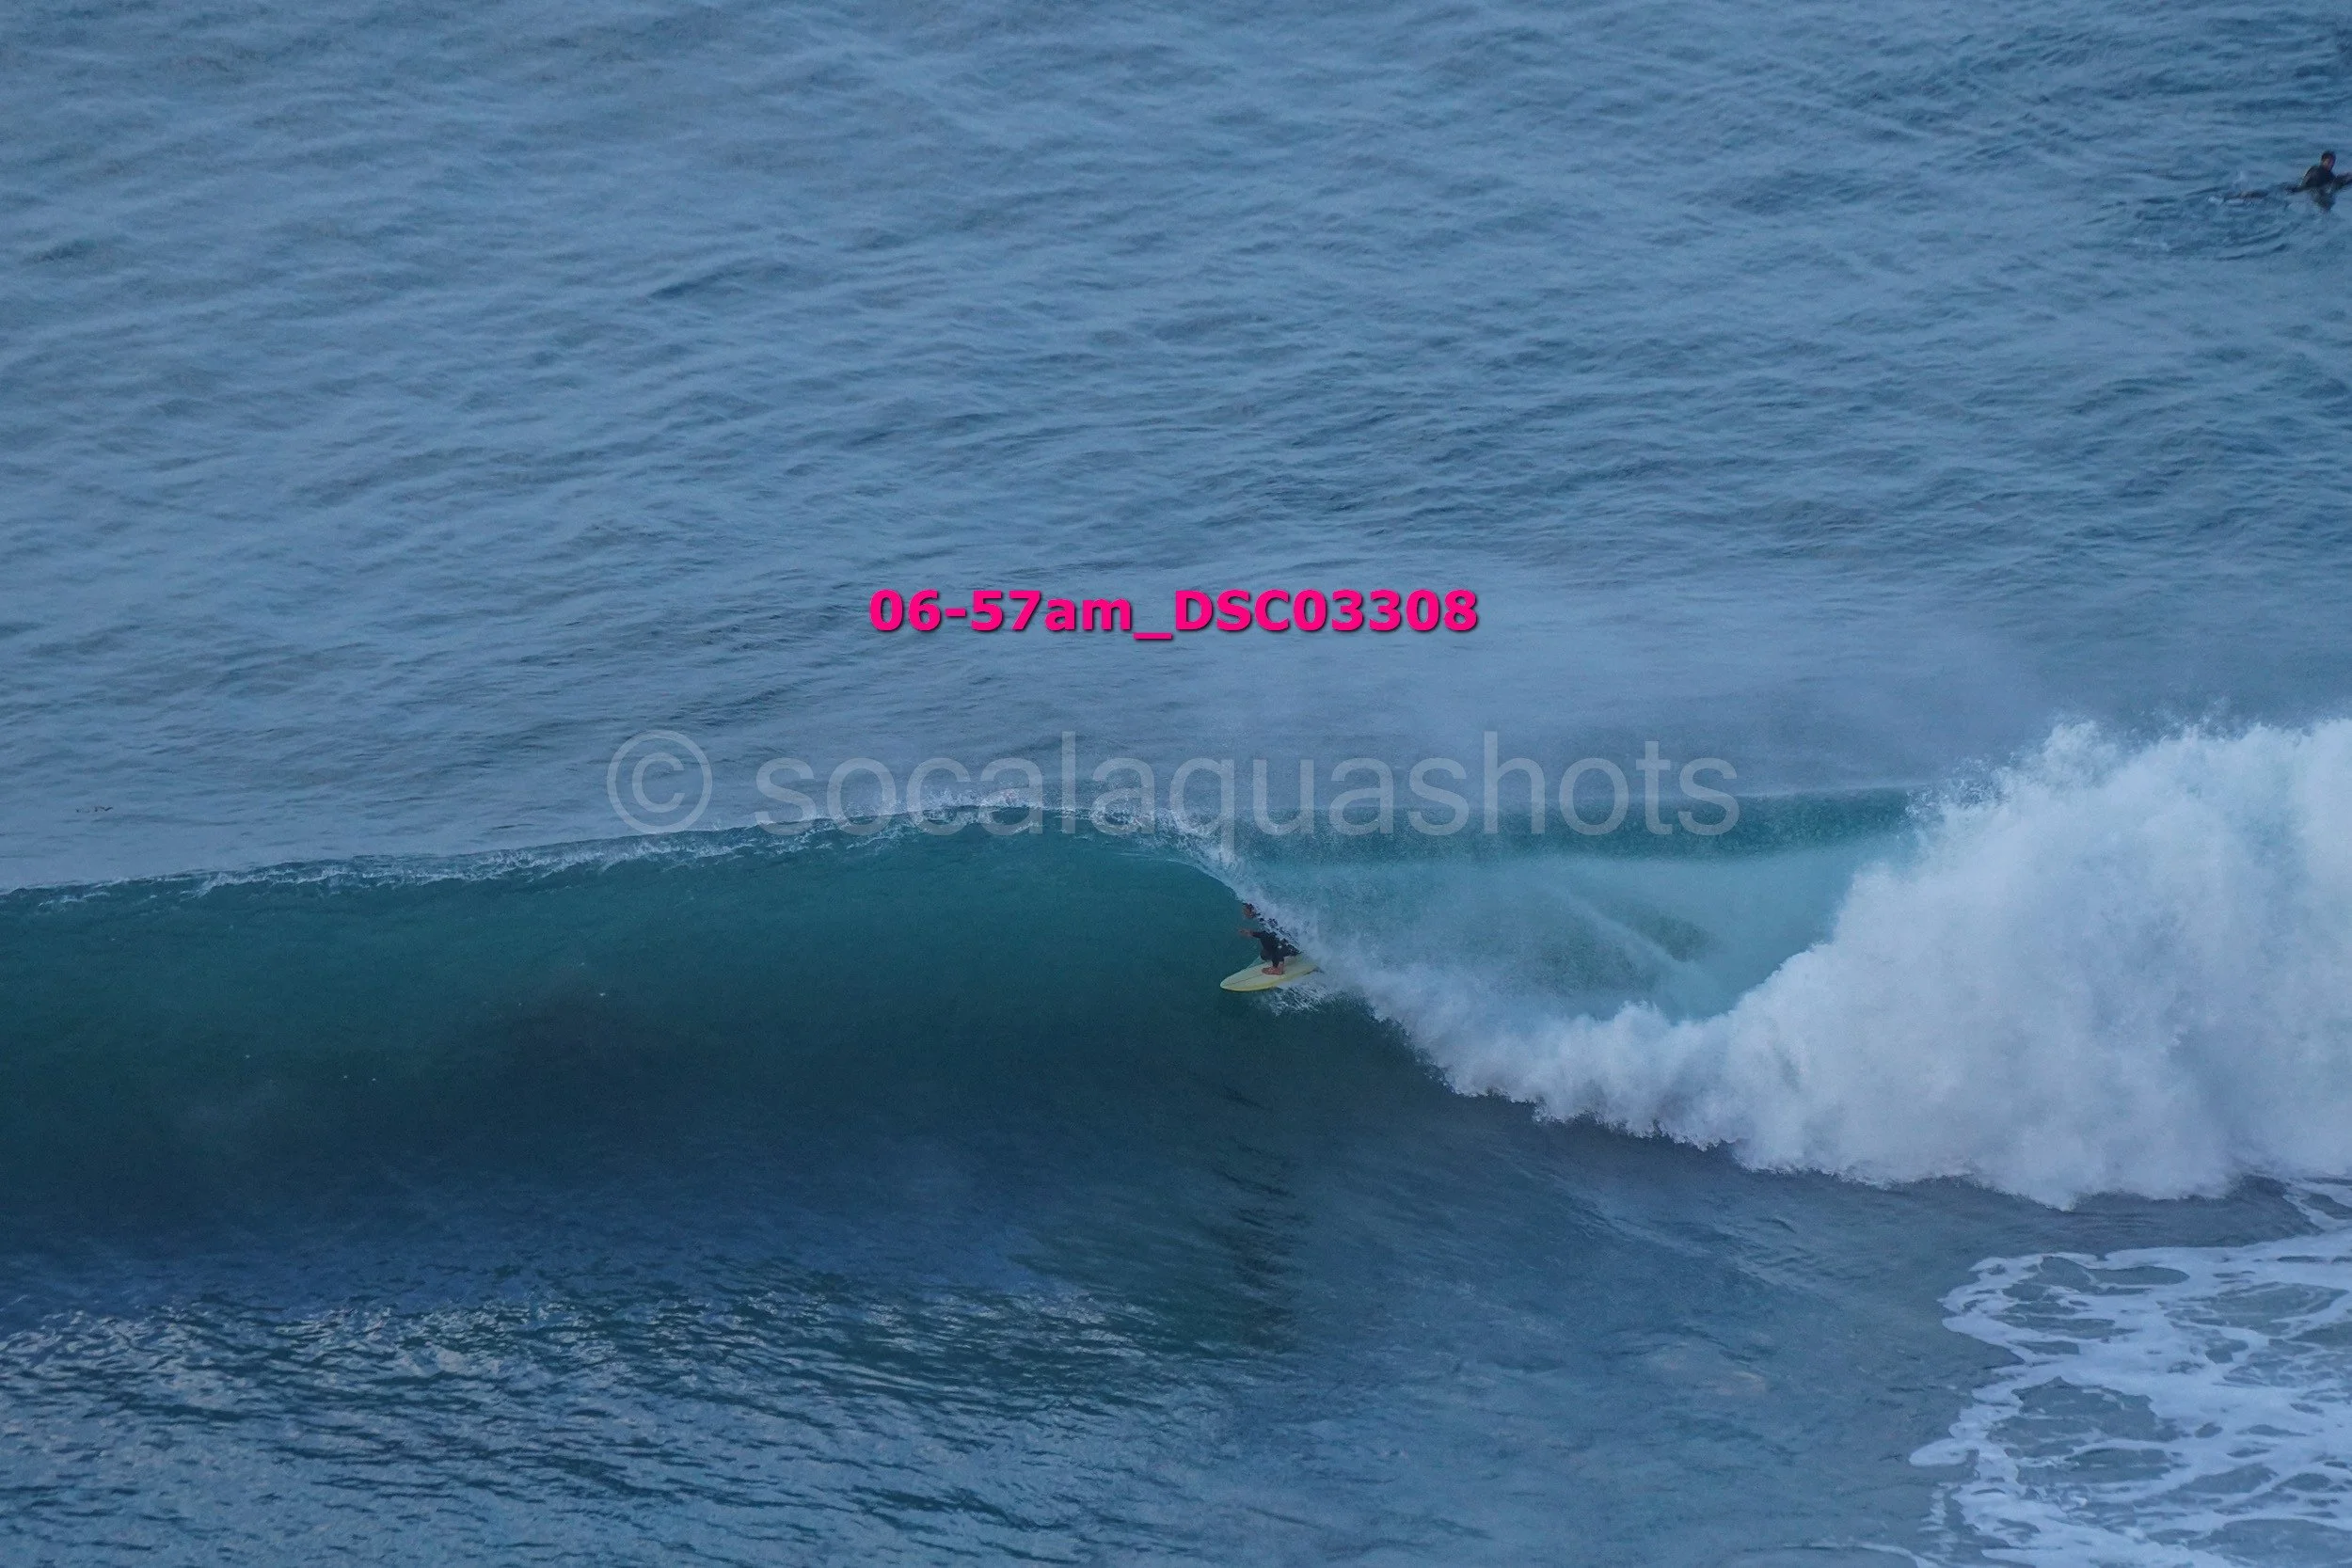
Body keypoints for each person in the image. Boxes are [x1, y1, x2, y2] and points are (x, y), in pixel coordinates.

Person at [1237, 902, 1298, 975]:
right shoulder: (1263, 916)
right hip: (1287, 942)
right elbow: (1270, 933)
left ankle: (1278, 968)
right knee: (1264, 955)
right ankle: (1278, 959)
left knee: (1266, 939)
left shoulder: (1267, 919)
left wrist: (1279, 965)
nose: (1243, 912)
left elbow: (1280, 940)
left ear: (1252, 911)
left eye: (1245, 910)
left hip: (1294, 946)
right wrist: (1252, 933)